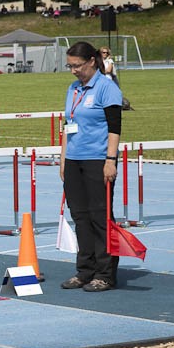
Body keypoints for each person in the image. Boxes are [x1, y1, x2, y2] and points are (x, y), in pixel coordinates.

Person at [59, 42, 124, 292]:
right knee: (80, 216)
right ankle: (85, 270)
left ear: (91, 62)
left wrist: (111, 160)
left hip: (98, 159)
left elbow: (115, 128)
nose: (73, 70)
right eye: (70, 66)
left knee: (100, 216)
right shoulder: (73, 88)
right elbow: (68, 125)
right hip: (74, 159)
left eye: (77, 65)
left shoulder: (107, 88)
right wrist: (63, 159)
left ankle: (105, 273)